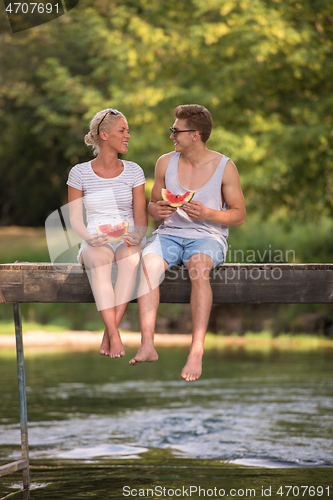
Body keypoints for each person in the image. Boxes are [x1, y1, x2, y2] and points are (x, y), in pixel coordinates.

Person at [129, 104, 246, 381]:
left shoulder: (224, 167)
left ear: (195, 134)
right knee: (148, 264)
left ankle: (196, 350)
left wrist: (207, 213)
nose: (171, 135)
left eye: (176, 131)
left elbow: (239, 215)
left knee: (198, 268)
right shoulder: (164, 163)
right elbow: (154, 204)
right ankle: (148, 343)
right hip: (168, 234)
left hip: (208, 237)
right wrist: (155, 210)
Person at [67, 108, 147, 358]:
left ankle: (108, 333)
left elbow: (141, 215)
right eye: (122, 130)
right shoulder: (79, 172)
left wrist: (139, 234)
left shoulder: (134, 170)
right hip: (95, 239)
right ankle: (115, 334)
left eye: (128, 131)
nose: (128, 136)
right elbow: (74, 220)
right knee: (101, 263)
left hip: (127, 237)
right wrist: (88, 237)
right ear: (104, 134)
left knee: (131, 260)